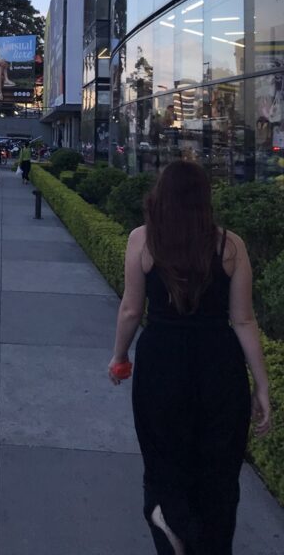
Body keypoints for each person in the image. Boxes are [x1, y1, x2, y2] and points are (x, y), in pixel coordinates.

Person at [108, 161, 270, 555]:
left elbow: (131, 310)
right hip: (218, 365)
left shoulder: (142, 241)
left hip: (162, 362)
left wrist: (119, 357)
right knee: (218, 470)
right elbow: (244, 319)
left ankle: (168, 516)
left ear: (159, 196)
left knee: (164, 458)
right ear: (204, 200)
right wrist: (262, 385)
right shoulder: (229, 246)